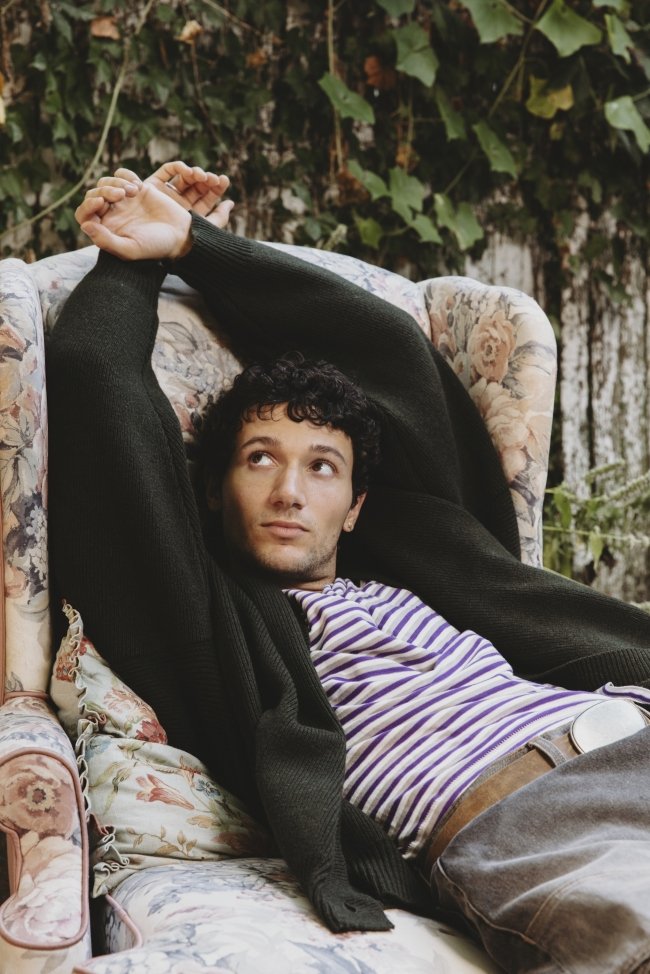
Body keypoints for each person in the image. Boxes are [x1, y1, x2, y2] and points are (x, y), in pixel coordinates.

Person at [46, 162, 650, 974]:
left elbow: (390, 351)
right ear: (217, 491)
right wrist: (137, 259)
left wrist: (204, 245)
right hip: (524, 821)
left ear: (358, 503)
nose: (291, 490)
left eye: (323, 467)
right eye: (260, 459)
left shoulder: (431, 556)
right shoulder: (220, 624)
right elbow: (97, 382)